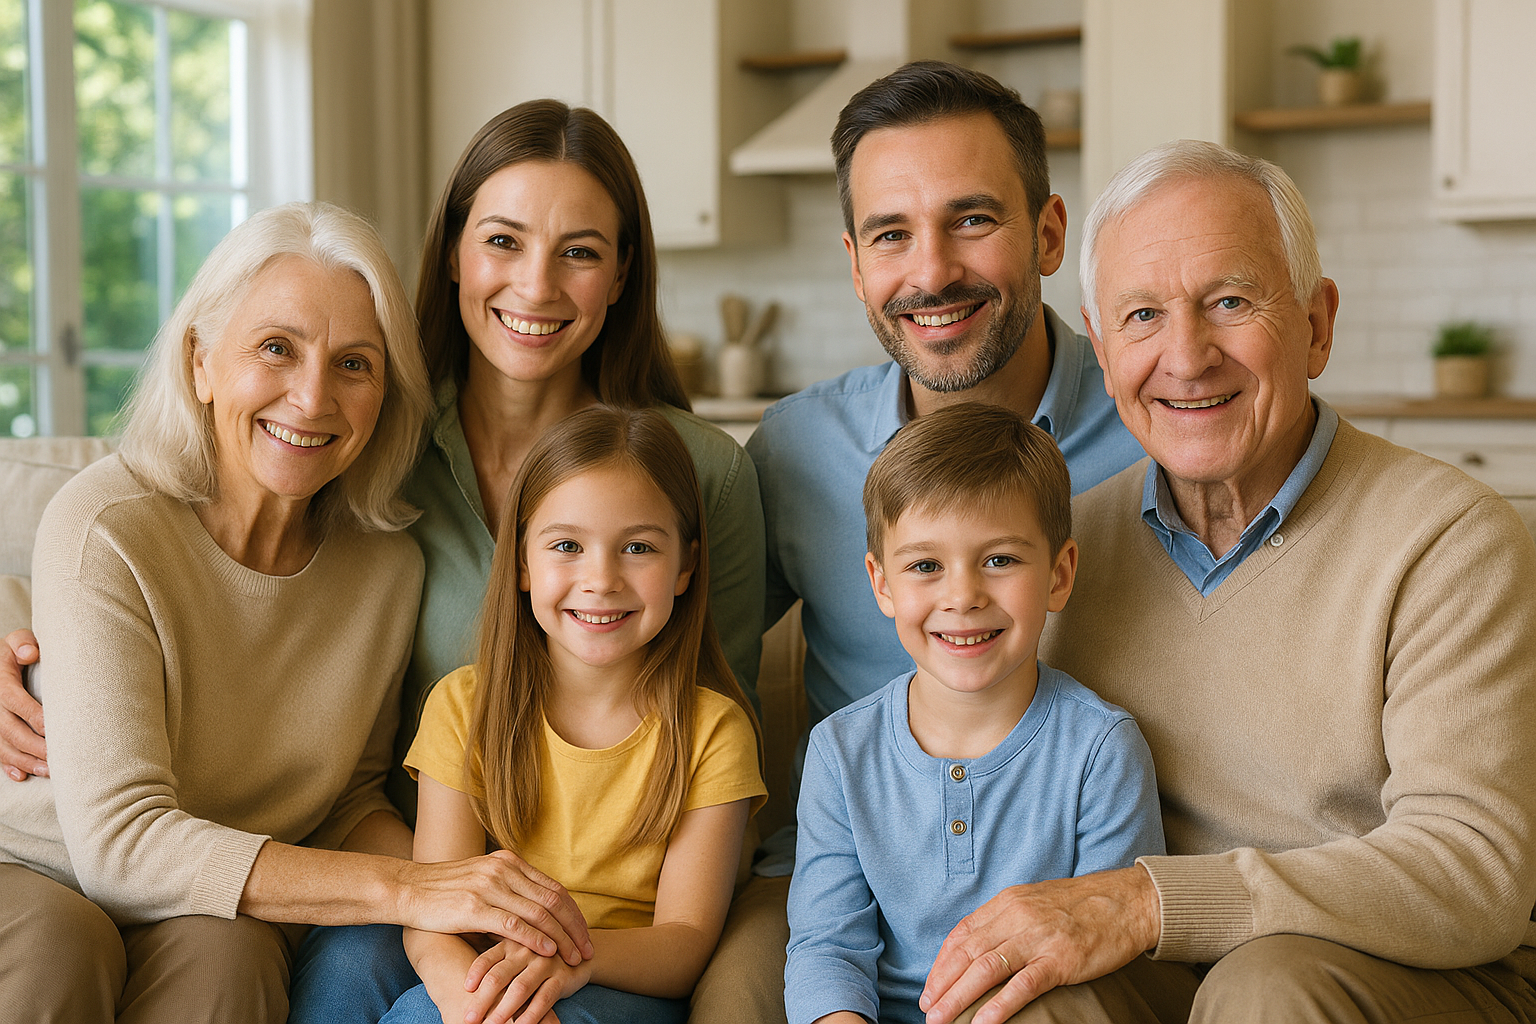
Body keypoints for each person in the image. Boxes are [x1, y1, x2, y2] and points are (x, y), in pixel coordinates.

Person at [0, 99, 767, 1020]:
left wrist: (503, 905)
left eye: (581, 251)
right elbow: (108, 533)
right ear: (451, 253)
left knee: (234, 964)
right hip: (326, 866)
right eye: (503, 240)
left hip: (511, 892)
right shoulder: (371, 465)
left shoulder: (669, 478)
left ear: (620, 274)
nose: (536, 284)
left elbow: (712, 708)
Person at [914, 140, 1536, 1024]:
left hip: (1414, 972)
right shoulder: (1060, 556)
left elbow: (1474, 871)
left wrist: (1145, 902)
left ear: (1317, 325)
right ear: (1101, 343)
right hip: (1171, 969)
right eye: (1141, 317)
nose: (1186, 355)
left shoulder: (1449, 538)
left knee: (1267, 990)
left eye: (1230, 302)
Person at [0, 202, 593, 1023]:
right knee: (63, 950)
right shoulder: (110, 524)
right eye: (276, 348)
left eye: (355, 364)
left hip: (213, 896)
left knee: (232, 967)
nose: (313, 397)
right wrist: (413, 888)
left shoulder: (387, 568)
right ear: (202, 362)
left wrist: (461, 920)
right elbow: (122, 845)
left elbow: (347, 799)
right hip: (38, 860)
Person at [712, 60, 1144, 1023]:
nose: (932, 271)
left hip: (1079, 874)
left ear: (1047, 234)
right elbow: (699, 675)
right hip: (843, 881)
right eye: (892, 234)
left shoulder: (1152, 429)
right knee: (733, 1003)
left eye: (972, 220)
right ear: (856, 262)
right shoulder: (795, 450)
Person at [380, 405, 766, 1024]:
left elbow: (685, 942)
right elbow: (433, 922)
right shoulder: (461, 707)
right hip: (485, 971)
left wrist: (571, 961)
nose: (601, 579)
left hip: (621, 982)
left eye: (638, 547)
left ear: (686, 566)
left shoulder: (714, 731)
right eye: (566, 546)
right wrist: (472, 1005)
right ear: (524, 562)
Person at [783, 403, 1163, 1024]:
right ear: (882, 584)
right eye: (926, 566)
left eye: (1000, 560)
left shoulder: (1101, 749)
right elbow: (829, 949)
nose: (963, 596)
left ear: (1059, 576)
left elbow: (1109, 955)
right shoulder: (839, 751)